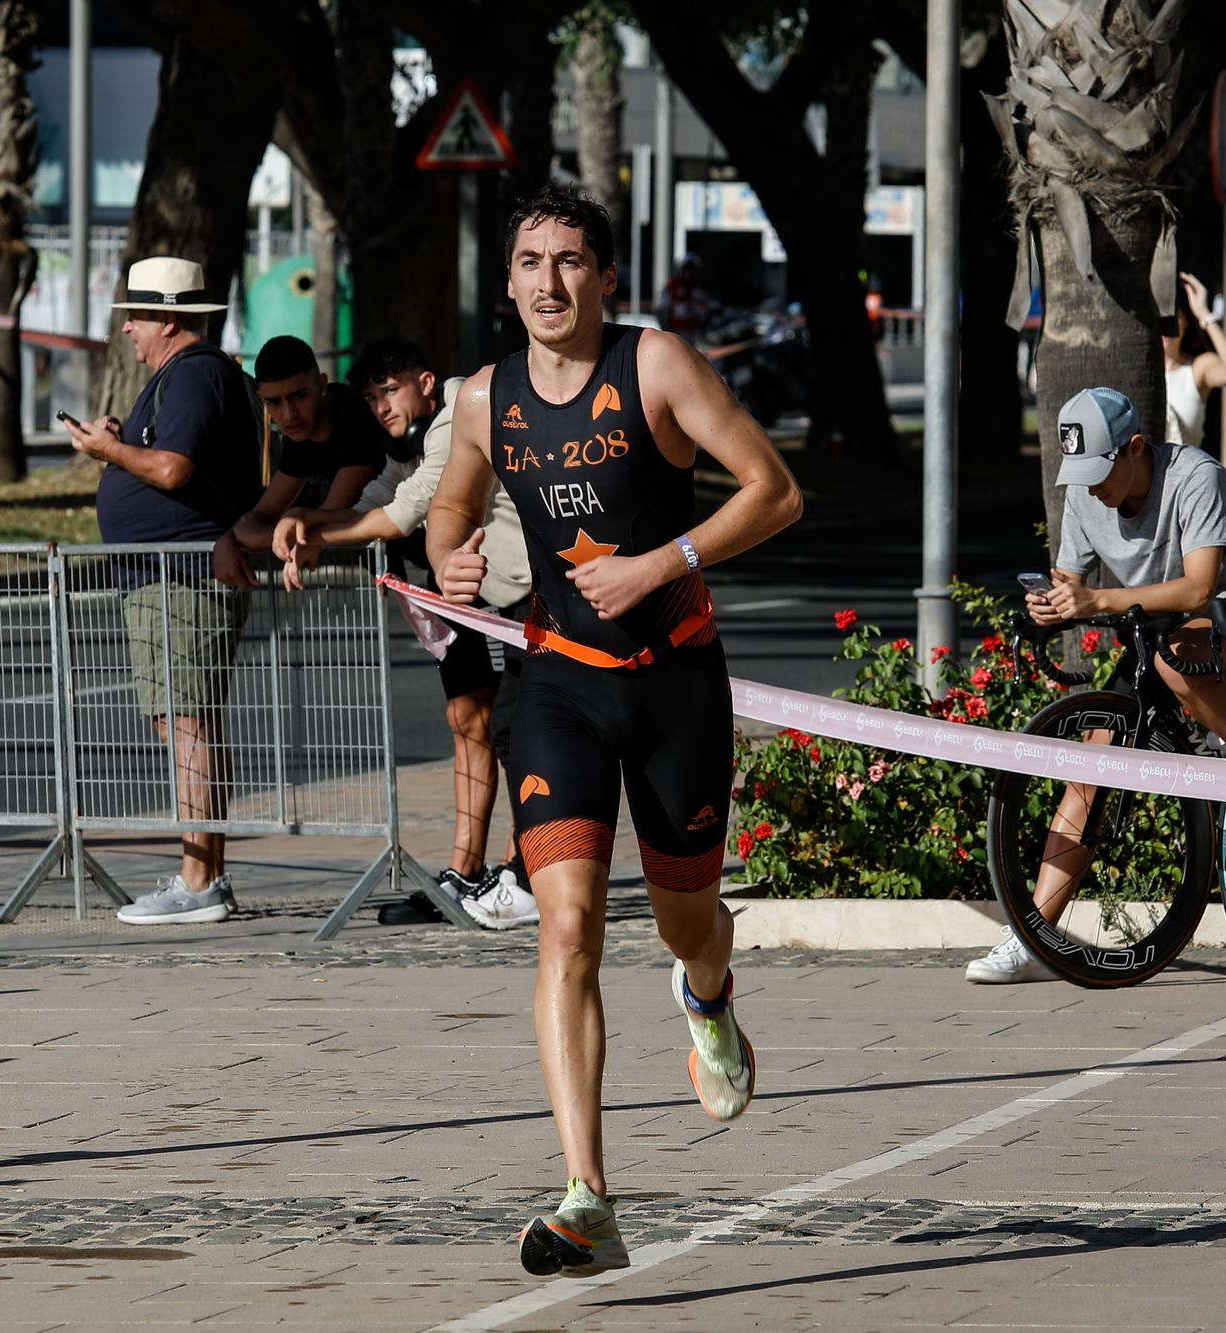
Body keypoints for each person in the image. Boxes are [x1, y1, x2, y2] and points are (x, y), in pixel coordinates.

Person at [426, 183, 802, 1278]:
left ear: (604, 276)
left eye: (570, 261)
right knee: (566, 927)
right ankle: (587, 1193)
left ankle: (707, 997)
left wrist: (662, 560)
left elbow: (773, 492)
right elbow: (452, 505)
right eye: (531, 262)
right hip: (558, 683)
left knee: (689, 921)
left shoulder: (657, 366)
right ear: (507, 282)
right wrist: (450, 553)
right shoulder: (481, 398)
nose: (549, 282)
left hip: (676, 679)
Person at [965, 385, 1226, 985]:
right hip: (1155, 630)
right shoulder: (1088, 493)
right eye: (1080, 474)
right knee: (1091, 767)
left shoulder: (1196, 478)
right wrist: (1054, 603)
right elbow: (1071, 576)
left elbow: (1198, 588)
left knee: (1174, 654)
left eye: (1100, 470)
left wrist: (1097, 600)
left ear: (1136, 447)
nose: (1092, 488)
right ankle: (1032, 936)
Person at [272, 338, 540, 931]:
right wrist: (305, 522)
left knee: (519, 732)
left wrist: (314, 535)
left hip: (527, 585)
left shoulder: (455, 416)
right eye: (369, 397)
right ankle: (469, 873)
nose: (380, 406)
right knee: (471, 723)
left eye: (389, 391)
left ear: (423, 382)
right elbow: (375, 500)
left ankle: (526, 873)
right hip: (467, 591)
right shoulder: (401, 438)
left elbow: (405, 513)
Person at [66, 256, 261, 927]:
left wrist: (108, 453)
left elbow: (174, 469)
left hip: (180, 577)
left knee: (187, 721)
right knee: (182, 719)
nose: (128, 332)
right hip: (165, 575)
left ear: (168, 319)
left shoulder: (195, 372)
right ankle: (203, 873)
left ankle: (198, 880)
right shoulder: (189, 376)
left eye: (137, 318)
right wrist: (122, 448)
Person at [211, 335, 388, 590]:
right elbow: (262, 515)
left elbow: (326, 519)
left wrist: (264, 534)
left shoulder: (354, 416)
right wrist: (228, 539)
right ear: (262, 399)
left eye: (299, 396)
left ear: (322, 385)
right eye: (274, 402)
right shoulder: (300, 436)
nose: (288, 413)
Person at [1162, 271, 1226, 449]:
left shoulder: (1196, 369)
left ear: (1185, 322)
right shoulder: (1133, 373)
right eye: (1160, 320)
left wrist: (1204, 314)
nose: (1166, 329)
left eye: (1172, 319)